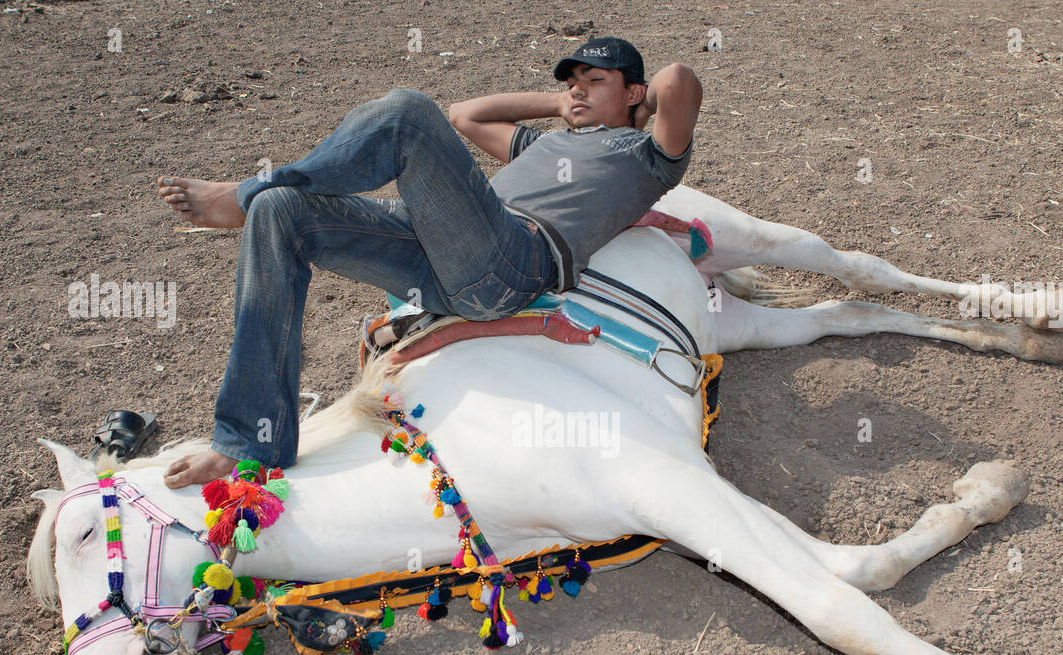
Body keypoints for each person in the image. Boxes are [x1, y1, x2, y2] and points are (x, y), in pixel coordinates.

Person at [157, 36, 701, 488]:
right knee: (281, 213)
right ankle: (250, 442)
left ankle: (245, 194)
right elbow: (466, 115)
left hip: (511, 262)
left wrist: (639, 105)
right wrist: (564, 105)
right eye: (571, 81)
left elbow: (677, 79)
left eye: (595, 80)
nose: (576, 88)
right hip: (448, 250)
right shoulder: (542, 144)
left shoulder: (648, 157)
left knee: (407, 114)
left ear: (634, 91)